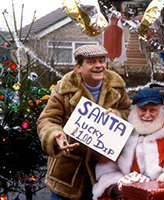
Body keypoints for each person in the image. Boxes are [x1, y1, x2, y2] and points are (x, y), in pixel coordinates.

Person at [37, 45, 131, 200]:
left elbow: (127, 111)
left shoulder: (116, 84)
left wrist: (118, 115)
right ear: (79, 67)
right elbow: (48, 118)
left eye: (101, 61)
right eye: (92, 62)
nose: (99, 65)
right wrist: (56, 136)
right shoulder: (64, 87)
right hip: (69, 171)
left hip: (104, 168)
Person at [92, 88, 164, 200]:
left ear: (161, 111)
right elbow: (107, 169)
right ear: (135, 110)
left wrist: (162, 184)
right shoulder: (123, 135)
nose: (147, 115)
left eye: (153, 110)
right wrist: (117, 187)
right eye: (143, 109)